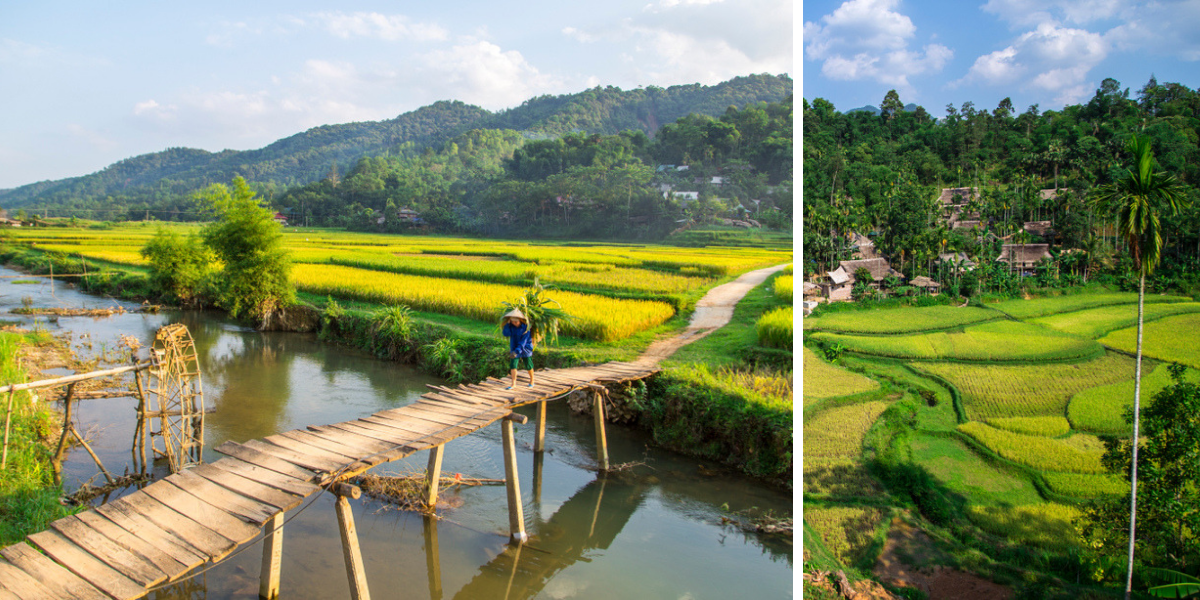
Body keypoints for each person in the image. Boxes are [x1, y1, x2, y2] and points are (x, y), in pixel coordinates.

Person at [501, 308, 535, 389]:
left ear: (520, 320)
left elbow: (523, 343)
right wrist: (507, 325)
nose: (514, 323)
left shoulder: (526, 328)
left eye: (516, 322)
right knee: (513, 365)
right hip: (514, 348)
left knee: (528, 365)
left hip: (525, 348)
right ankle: (513, 383)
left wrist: (516, 351)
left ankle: (532, 381)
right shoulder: (511, 327)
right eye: (512, 321)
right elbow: (506, 334)